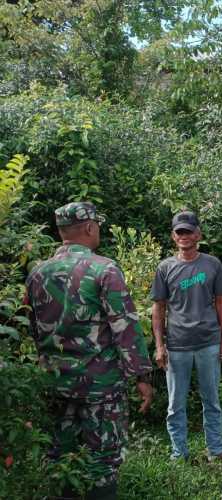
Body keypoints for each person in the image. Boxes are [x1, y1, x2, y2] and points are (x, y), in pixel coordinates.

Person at [25, 202, 153, 500]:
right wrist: (142, 377)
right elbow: (126, 328)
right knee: (103, 460)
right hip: (101, 386)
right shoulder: (104, 269)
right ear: (89, 227)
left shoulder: (37, 274)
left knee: (61, 455)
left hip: (55, 382)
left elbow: (34, 328)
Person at [150, 210, 222, 461]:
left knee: (212, 401)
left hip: (208, 342)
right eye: (179, 232)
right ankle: (179, 454)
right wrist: (159, 345)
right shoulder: (165, 268)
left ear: (198, 234)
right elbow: (158, 308)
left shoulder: (212, 264)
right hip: (177, 346)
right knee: (175, 406)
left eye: (189, 231)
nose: (184, 236)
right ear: (173, 236)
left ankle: (216, 452)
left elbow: (221, 303)